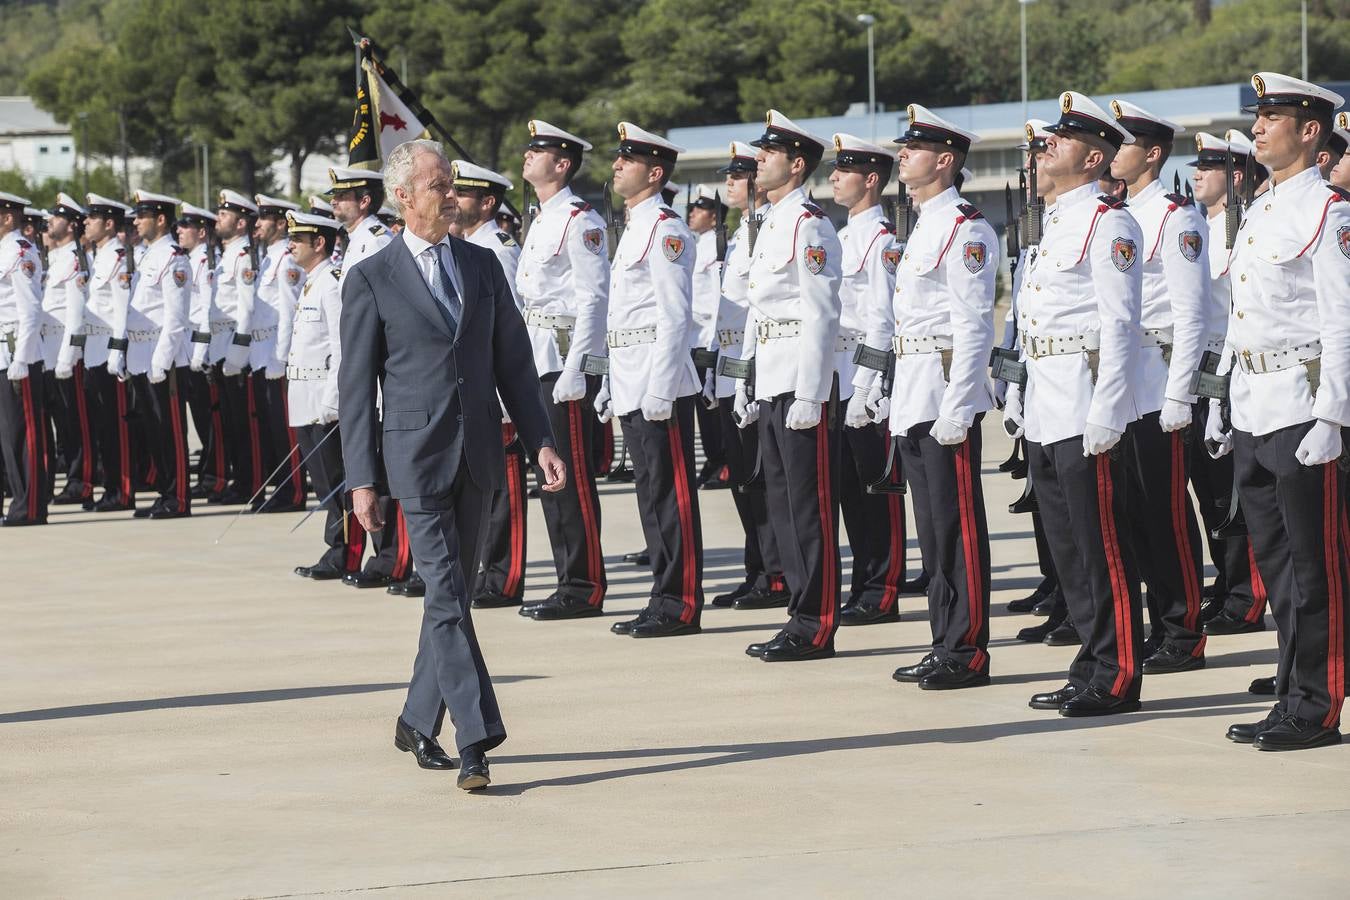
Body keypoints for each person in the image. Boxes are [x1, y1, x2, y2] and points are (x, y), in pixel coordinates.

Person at [340, 138, 564, 791]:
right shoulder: (371, 277)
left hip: (480, 454)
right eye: (440, 186)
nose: (453, 197)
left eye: (455, 186)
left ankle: (416, 719)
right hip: (413, 453)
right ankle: (474, 738)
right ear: (404, 197)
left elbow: (513, 365)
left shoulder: (483, 265)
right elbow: (356, 389)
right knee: (444, 591)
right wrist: (361, 479)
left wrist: (541, 438)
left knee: (453, 597)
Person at [1210, 73, 1349, 751]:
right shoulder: (1262, 208)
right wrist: (1223, 397)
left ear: (1310, 131)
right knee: (1278, 565)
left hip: (1302, 406)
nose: (1259, 128)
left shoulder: (1329, 212)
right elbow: (1242, 320)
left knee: (1315, 566)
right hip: (1253, 406)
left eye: (1273, 118)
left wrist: (1334, 416)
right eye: (1259, 117)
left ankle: (1318, 706)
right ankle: (1291, 692)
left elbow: (1342, 322)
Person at [1010, 91, 1146, 716]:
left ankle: (1117, 672)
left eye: (1058, 141)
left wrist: (1107, 411)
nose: (1044, 149)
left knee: (1101, 548)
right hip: (1047, 405)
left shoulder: (1108, 221)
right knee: (1067, 547)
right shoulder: (1058, 221)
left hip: (1085, 405)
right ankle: (1089, 661)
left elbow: (1120, 326)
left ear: (1093, 157)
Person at [868, 106, 998, 688]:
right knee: (932, 526)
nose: (902, 155)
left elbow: (974, 327)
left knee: (958, 525)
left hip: (945, 394)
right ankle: (942, 639)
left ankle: (968, 649)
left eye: (913, 149)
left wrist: (959, 405)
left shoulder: (966, 227)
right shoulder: (921, 222)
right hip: (915, 391)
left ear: (944, 161)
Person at [737, 110, 844, 662]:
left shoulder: (810, 225)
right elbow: (761, 311)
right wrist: (748, 379)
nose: (758, 160)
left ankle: (816, 622)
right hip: (773, 376)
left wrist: (811, 391)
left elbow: (821, 315)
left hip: (801, 381)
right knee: (781, 501)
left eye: (768, 153)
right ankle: (797, 615)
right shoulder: (772, 222)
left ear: (796, 164)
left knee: (808, 506)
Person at [1108, 100, 1211, 673]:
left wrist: (1180, 396)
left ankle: (1183, 631)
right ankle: (1157, 623)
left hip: (1157, 380)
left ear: (1150, 154)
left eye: (1123, 144)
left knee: (1165, 514)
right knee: (1132, 513)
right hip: (1123, 382)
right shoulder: (1115, 214)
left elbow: (1192, 315)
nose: (1112, 153)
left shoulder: (1176, 219)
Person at [601, 122, 705, 638]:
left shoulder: (666, 228)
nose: (617, 165)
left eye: (629, 159)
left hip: (657, 382)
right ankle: (662, 595)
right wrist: (609, 383)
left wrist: (661, 386)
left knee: (671, 494)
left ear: (655, 172)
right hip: (630, 377)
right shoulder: (635, 226)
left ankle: (681, 601)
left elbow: (675, 316)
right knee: (650, 492)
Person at [515, 120, 611, 621]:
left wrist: (581, 368)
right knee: (548, 475)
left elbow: (595, 301)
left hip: (562, 359)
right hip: (536, 355)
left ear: (562, 163)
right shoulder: (542, 218)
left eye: (539, 150)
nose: (527, 155)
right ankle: (566, 579)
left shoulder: (580, 220)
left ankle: (584, 584)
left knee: (568, 476)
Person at [1185, 132, 1266, 637]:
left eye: (1208, 167)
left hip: (1226, 364)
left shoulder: (1240, 228)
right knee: (1209, 490)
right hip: (1202, 368)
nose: (1197, 174)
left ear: (1235, 177)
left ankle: (1247, 595)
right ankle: (1230, 583)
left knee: (1231, 491)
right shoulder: (1206, 227)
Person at [830, 132, 908, 627]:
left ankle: (883, 589)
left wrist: (869, 384)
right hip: (838, 373)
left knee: (876, 490)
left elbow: (882, 319)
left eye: (845, 169)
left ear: (871, 180)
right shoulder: (840, 238)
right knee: (848, 491)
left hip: (865, 377)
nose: (833, 177)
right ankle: (863, 582)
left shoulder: (883, 240)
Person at [328, 167, 415, 591]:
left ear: (365, 200)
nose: (333, 203)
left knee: (389, 473)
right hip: (361, 366)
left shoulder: (378, 239)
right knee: (373, 473)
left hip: (384, 373)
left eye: (342, 196)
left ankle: (395, 558)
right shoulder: (356, 241)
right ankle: (385, 557)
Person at [446, 160, 528, 610]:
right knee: (486, 485)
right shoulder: (465, 246)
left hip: (496, 385)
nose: (453, 200)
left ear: (488, 202)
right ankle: (489, 570)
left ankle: (506, 575)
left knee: (507, 484)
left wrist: (505, 391)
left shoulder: (496, 248)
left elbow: (507, 328)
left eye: (463, 194)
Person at [285, 211, 362, 582]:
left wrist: (333, 397)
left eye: (297, 239)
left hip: (322, 397)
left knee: (337, 479)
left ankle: (347, 551)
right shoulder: (312, 282)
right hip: (304, 393)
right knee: (323, 480)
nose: (290, 245)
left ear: (319, 243)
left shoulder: (331, 282)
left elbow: (341, 345)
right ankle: (337, 548)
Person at [114, 191, 193, 519]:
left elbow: (176, 317)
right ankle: (165, 491)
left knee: (170, 431)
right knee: (153, 430)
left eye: (141, 215)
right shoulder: (146, 256)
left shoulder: (174, 258)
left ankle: (178, 497)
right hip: (141, 355)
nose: (135, 221)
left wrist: (161, 360)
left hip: (164, 359)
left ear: (161, 219)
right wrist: (124, 352)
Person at [81, 194, 136, 512]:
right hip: (93, 350)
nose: (86, 222)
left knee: (117, 427)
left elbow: (121, 309)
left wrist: (118, 351)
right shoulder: (98, 256)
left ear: (109, 223)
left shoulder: (117, 257)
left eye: (93, 217)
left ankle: (122, 490)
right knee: (102, 426)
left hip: (108, 353)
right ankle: (111, 486)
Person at [253, 194, 307, 513]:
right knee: (272, 427)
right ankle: (283, 488)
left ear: (278, 223)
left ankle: (294, 492)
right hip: (264, 353)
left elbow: (288, 313)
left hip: (278, 356)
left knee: (286, 430)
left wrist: (281, 357)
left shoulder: (286, 260)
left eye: (263, 218)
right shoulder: (267, 258)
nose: (257, 224)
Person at [0, 190, 49, 525]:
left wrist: (23, 357)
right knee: (6, 435)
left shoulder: (20, 251)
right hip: (3, 350)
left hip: (19, 352)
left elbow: (30, 310)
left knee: (23, 435)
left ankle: (29, 507)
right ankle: (17, 502)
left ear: (7, 218)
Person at [45, 193, 96, 506]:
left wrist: (68, 355)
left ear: (73, 224)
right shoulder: (57, 258)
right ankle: (74, 479)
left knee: (76, 420)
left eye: (57, 216)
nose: (50, 221)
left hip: (67, 353)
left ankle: (83, 481)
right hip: (50, 351)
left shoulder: (77, 259)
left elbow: (77, 314)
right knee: (62, 422)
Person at [178, 203, 228, 501]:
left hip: (203, 346)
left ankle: (216, 476)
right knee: (201, 417)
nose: (180, 232)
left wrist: (202, 351)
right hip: (190, 345)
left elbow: (208, 309)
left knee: (211, 421)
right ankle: (210, 473)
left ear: (200, 231)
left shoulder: (207, 261)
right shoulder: (191, 260)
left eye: (186, 227)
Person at [686, 185, 726, 488]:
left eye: (699, 209)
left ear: (714, 217)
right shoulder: (698, 244)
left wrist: (713, 353)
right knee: (703, 409)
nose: (692, 213)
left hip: (707, 338)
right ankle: (714, 459)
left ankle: (721, 461)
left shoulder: (715, 247)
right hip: (694, 338)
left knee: (712, 410)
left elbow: (715, 302)